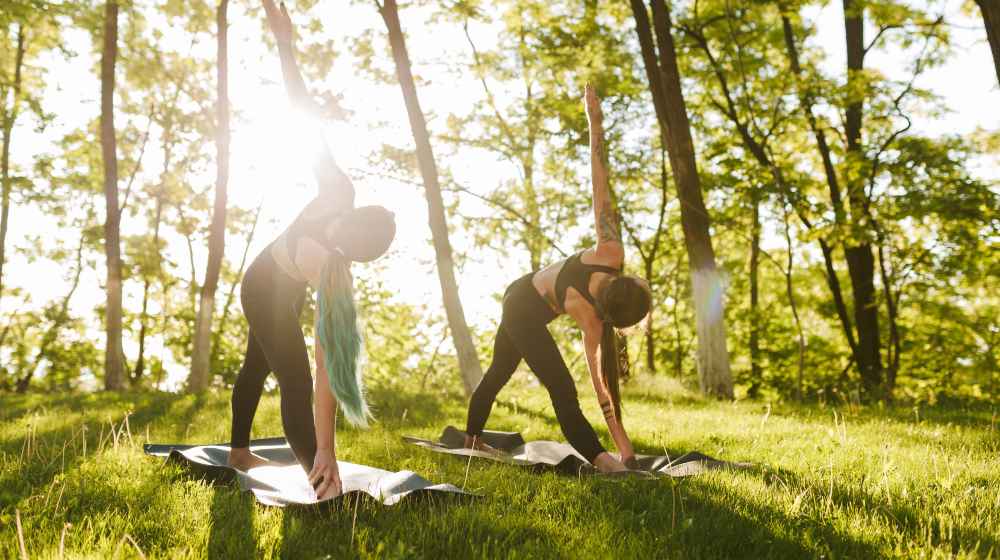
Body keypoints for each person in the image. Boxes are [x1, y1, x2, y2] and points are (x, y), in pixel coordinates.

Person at [226, 0, 396, 500]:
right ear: (347, 214)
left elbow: (329, 373)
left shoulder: (332, 277)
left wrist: (329, 445)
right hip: (261, 283)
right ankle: (319, 486)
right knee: (287, 376)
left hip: (289, 291)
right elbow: (303, 115)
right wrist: (285, 45)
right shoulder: (336, 189)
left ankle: (252, 454)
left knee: (267, 364)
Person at [463, 85, 652, 474]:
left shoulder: (602, 285)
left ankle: (472, 439)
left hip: (524, 301)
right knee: (561, 389)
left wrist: (627, 448)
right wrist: (593, 124)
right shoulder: (607, 261)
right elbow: (600, 188)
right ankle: (600, 461)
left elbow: (604, 387)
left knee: (501, 369)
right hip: (521, 299)